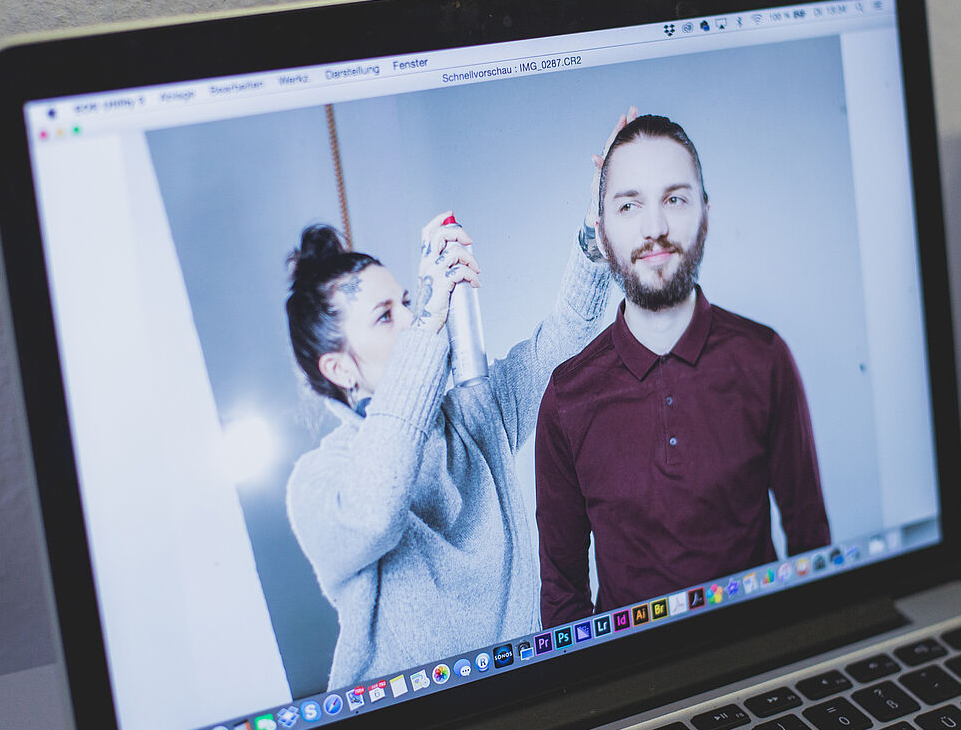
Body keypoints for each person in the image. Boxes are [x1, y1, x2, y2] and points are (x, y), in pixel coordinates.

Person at [284, 117, 626, 689]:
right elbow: (377, 509)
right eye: (385, 316)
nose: (416, 319)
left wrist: (600, 232)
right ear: (340, 368)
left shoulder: (471, 417)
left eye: (409, 301)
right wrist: (430, 327)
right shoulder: (319, 481)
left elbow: (560, 342)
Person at [536, 113, 831, 628]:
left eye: (674, 199)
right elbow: (563, 599)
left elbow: (811, 546)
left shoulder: (763, 358)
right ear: (601, 233)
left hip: (762, 662)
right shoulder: (566, 399)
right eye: (629, 205)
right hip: (629, 686)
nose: (655, 228)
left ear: (706, 215)